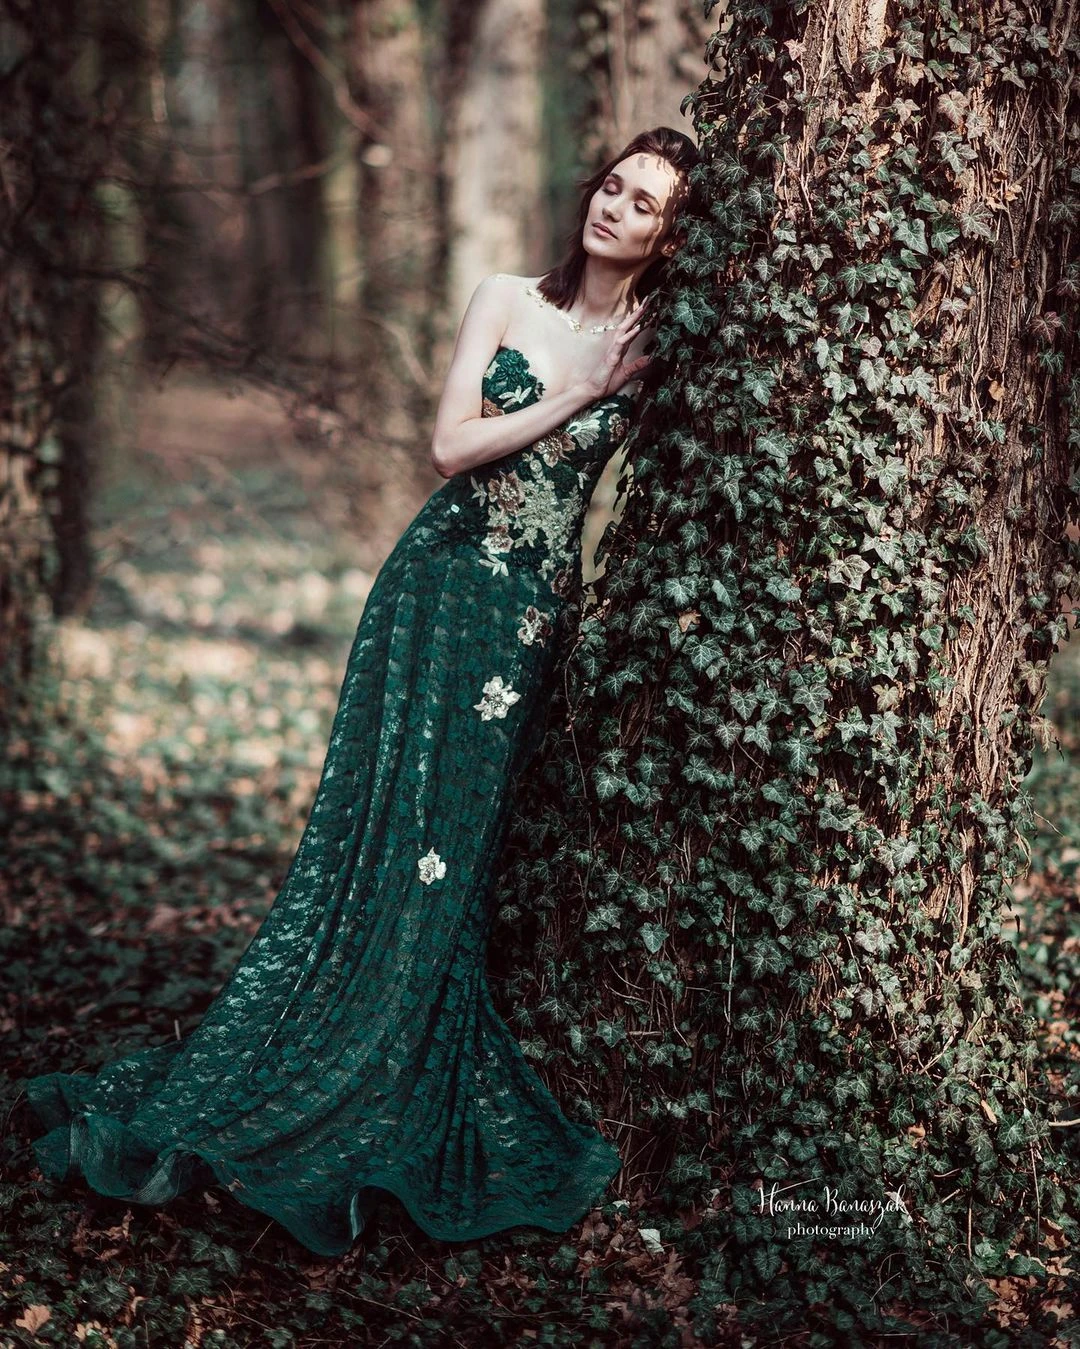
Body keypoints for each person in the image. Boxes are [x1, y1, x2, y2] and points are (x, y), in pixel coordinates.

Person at [23, 126, 700, 1258]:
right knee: (374, 837)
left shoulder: (658, 339)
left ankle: (387, 1056)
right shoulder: (506, 300)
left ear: (670, 236)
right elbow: (449, 446)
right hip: (433, 593)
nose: (615, 209)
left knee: (452, 858)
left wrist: (618, 380)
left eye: (645, 206)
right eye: (612, 185)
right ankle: (301, 1053)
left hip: (524, 629)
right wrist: (578, 389)